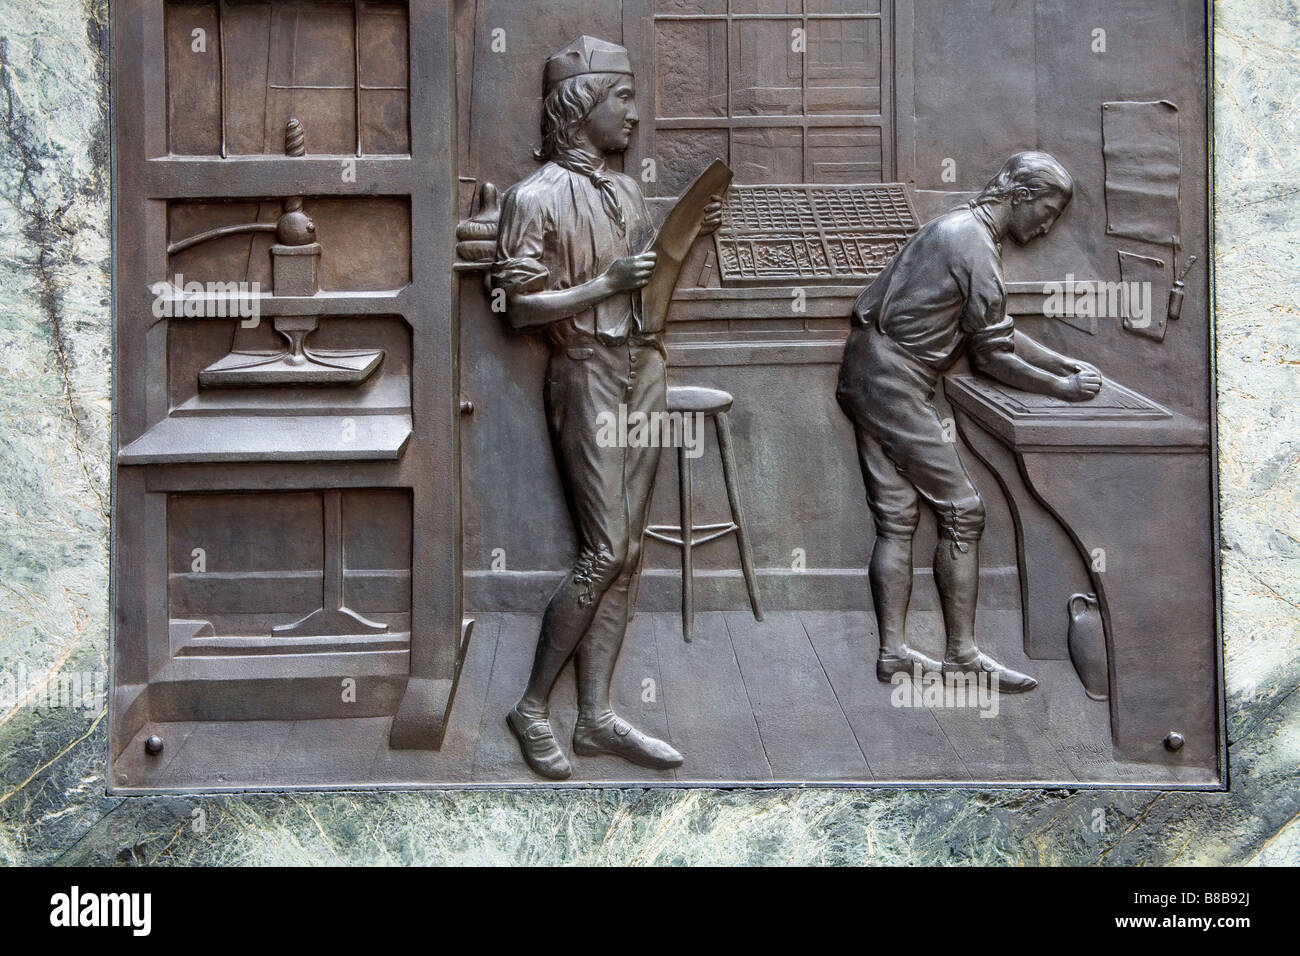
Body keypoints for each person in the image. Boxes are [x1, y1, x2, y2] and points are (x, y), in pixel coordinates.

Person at [491, 36, 722, 778]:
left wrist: (681, 244)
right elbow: (515, 307)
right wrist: (601, 285)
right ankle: (530, 708)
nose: (635, 112)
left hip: (642, 367)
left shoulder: (626, 193)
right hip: (584, 371)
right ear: (581, 104)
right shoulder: (532, 199)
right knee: (605, 550)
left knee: (630, 553)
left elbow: (646, 288)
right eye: (622, 97)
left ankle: (594, 718)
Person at [836, 151, 1102, 693]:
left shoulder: (956, 227)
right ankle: (960, 656)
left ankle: (892, 654)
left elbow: (991, 326)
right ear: (1020, 196)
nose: (1048, 225)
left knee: (896, 516)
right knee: (963, 511)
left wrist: (1058, 362)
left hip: (868, 372)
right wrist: (1061, 389)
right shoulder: (974, 243)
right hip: (892, 382)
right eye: (1047, 211)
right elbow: (992, 356)